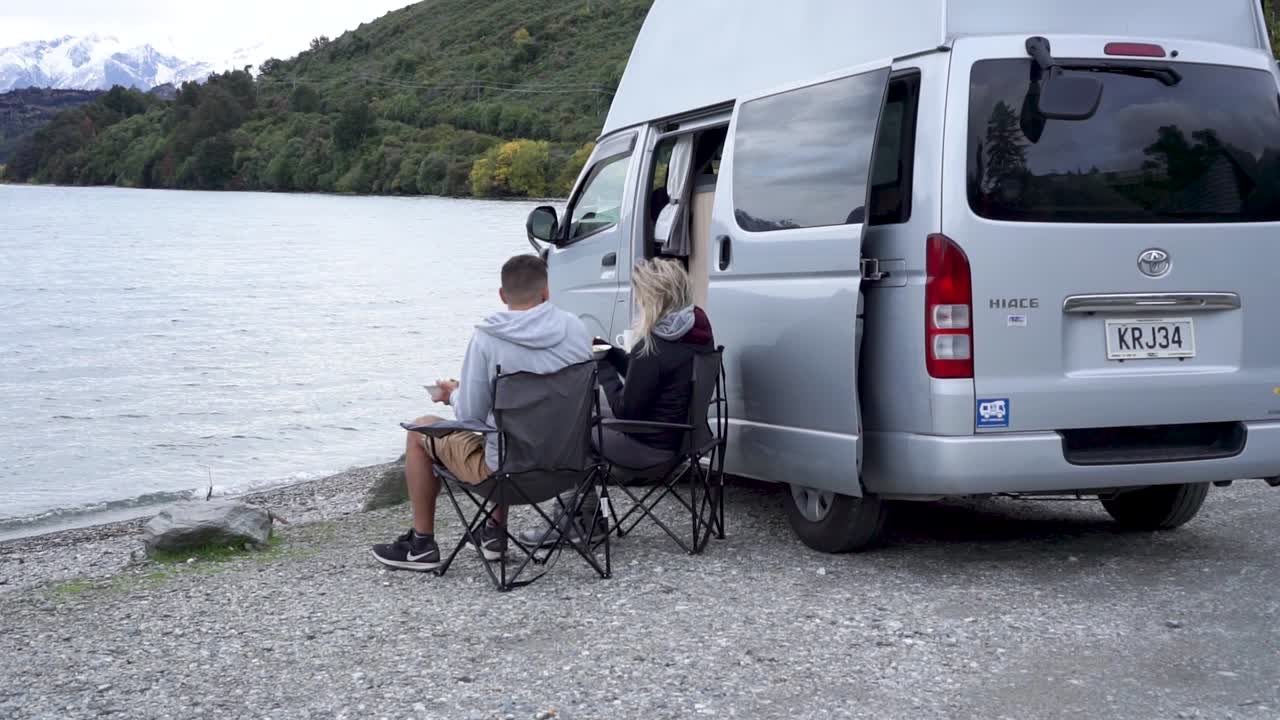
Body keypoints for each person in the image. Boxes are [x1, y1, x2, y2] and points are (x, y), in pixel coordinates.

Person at [372, 255, 592, 571]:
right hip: (565, 468)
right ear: (546, 292)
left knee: (420, 431)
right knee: (505, 424)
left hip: (505, 477)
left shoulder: (488, 338)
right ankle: (492, 533)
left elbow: (470, 414)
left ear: (502, 296)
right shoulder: (575, 328)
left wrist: (452, 394)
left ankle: (421, 545)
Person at [519, 257, 714, 546]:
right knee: (583, 415)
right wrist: (613, 353)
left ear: (651, 297)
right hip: (685, 437)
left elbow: (626, 408)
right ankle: (587, 518)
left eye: (638, 294)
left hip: (652, 451)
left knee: (570, 430)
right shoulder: (694, 330)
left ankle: (579, 522)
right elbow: (651, 379)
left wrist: (603, 366)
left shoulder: (653, 347)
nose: (635, 300)